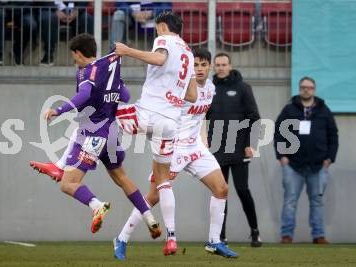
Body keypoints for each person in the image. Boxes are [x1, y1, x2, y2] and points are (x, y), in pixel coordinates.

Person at [112, 48, 238, 260]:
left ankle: (214, 241)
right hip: (174, 146)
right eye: (195, 65)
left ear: (210, 68)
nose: (199, 69)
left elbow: (202, 115)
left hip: (195, 147)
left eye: (203, 65)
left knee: (222, 188)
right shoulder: (180, 90)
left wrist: (204, 137)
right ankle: (122, 238)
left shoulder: (210, 87)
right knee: (152, 196)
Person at [37, 33, 162, 238]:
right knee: (122, 177)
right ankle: (150, 219)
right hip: (111, 133)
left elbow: (85, 93)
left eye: (73, 55)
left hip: (93, 135)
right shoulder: (109, 70)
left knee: (68, 184)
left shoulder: (87, 72)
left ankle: (97, 205)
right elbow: (126, 96)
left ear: (78, 53)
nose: (73, 59)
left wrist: (58, 110)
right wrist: (111, 91)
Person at [114, 11, 197, 255]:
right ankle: (171, 237)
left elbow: (159, 59)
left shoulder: (164, 40)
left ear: (162, 26)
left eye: (157, 28)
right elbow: (191, 95)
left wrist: (127, 51)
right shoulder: (189, 53)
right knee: (163, 182)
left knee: (101, 117)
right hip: (170, 122)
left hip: (148, 113)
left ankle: (69, 163)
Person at [205, 52, 262, 247]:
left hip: (239, 149)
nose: (220, 67)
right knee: (220, 192)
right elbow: (202, 118)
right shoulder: (209, 89)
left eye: (224, 64)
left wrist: (249, 144)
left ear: (230, 66)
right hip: (216, 150)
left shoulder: (243, 88)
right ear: (214, 67)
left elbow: (254, 117)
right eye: (217, 64)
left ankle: (255, 232)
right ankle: (221, 236)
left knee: (242, 190)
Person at [274, 76, 338, 244]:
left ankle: (319, 235)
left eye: (309, 87)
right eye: (303, 87)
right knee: (290, 201)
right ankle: (286, 235)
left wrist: (330, 158)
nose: (306, 90)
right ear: (299, 89)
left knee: (317, 202)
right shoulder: (289, 110)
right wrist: (282, 157)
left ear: (314, 90)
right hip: (293, 165)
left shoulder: (324, 110)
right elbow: (279, 133)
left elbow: (333, 135)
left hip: (318, 166)